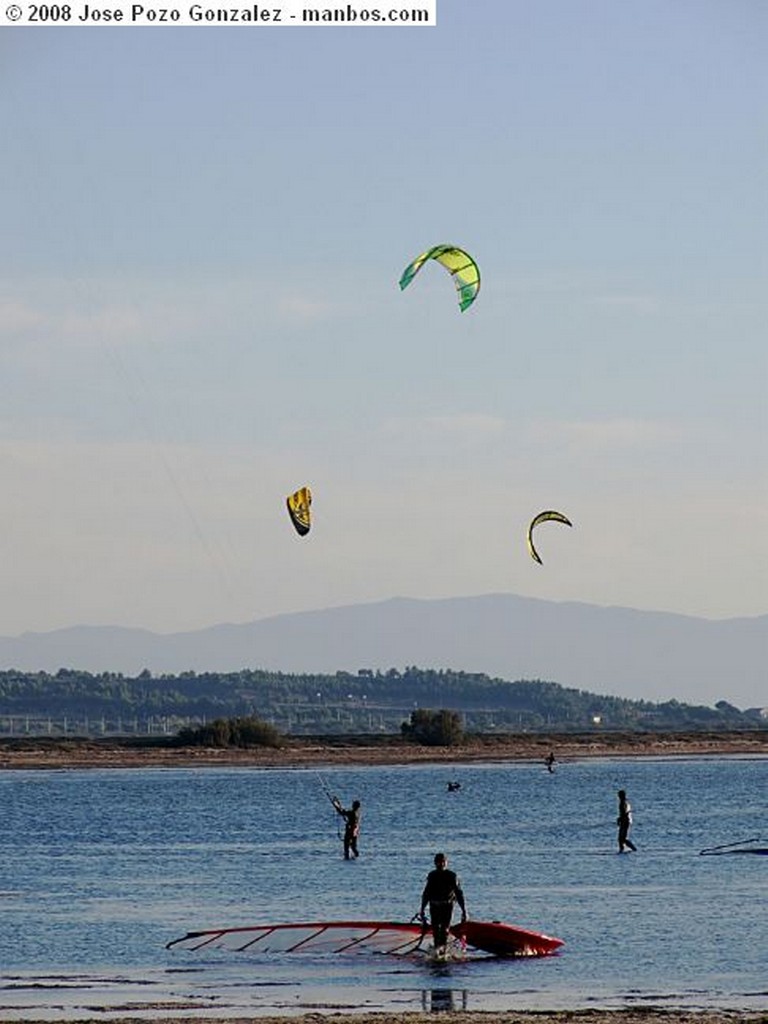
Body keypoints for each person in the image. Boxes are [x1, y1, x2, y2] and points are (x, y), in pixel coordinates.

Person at [420, 852, 467, 952]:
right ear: (435, 863)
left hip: (447, 906)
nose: (441, 864)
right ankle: (437, 951)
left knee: (445, 930)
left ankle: (443, 951)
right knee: (436, 931)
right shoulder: (432, 876)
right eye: (438, 862)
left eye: (443, 862)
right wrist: (422, 909)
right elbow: (426, 893)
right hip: (434, 906)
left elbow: (459, 894)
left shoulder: (452, 876)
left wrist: (464, 911)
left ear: (446, 863)